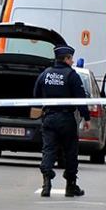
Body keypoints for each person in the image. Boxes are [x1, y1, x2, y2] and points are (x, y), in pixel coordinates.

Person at [33, 44, 90, 197]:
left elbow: (35, 94)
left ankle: (46, 183)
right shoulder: (71, 75)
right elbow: (80, 98)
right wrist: (87, 117)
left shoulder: (45, 74)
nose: (72, 62)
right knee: (70, 152)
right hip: (66, 119)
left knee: (48, 151)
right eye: (71, 59)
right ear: (66, 59)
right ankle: (70, 186)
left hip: (49, 118)